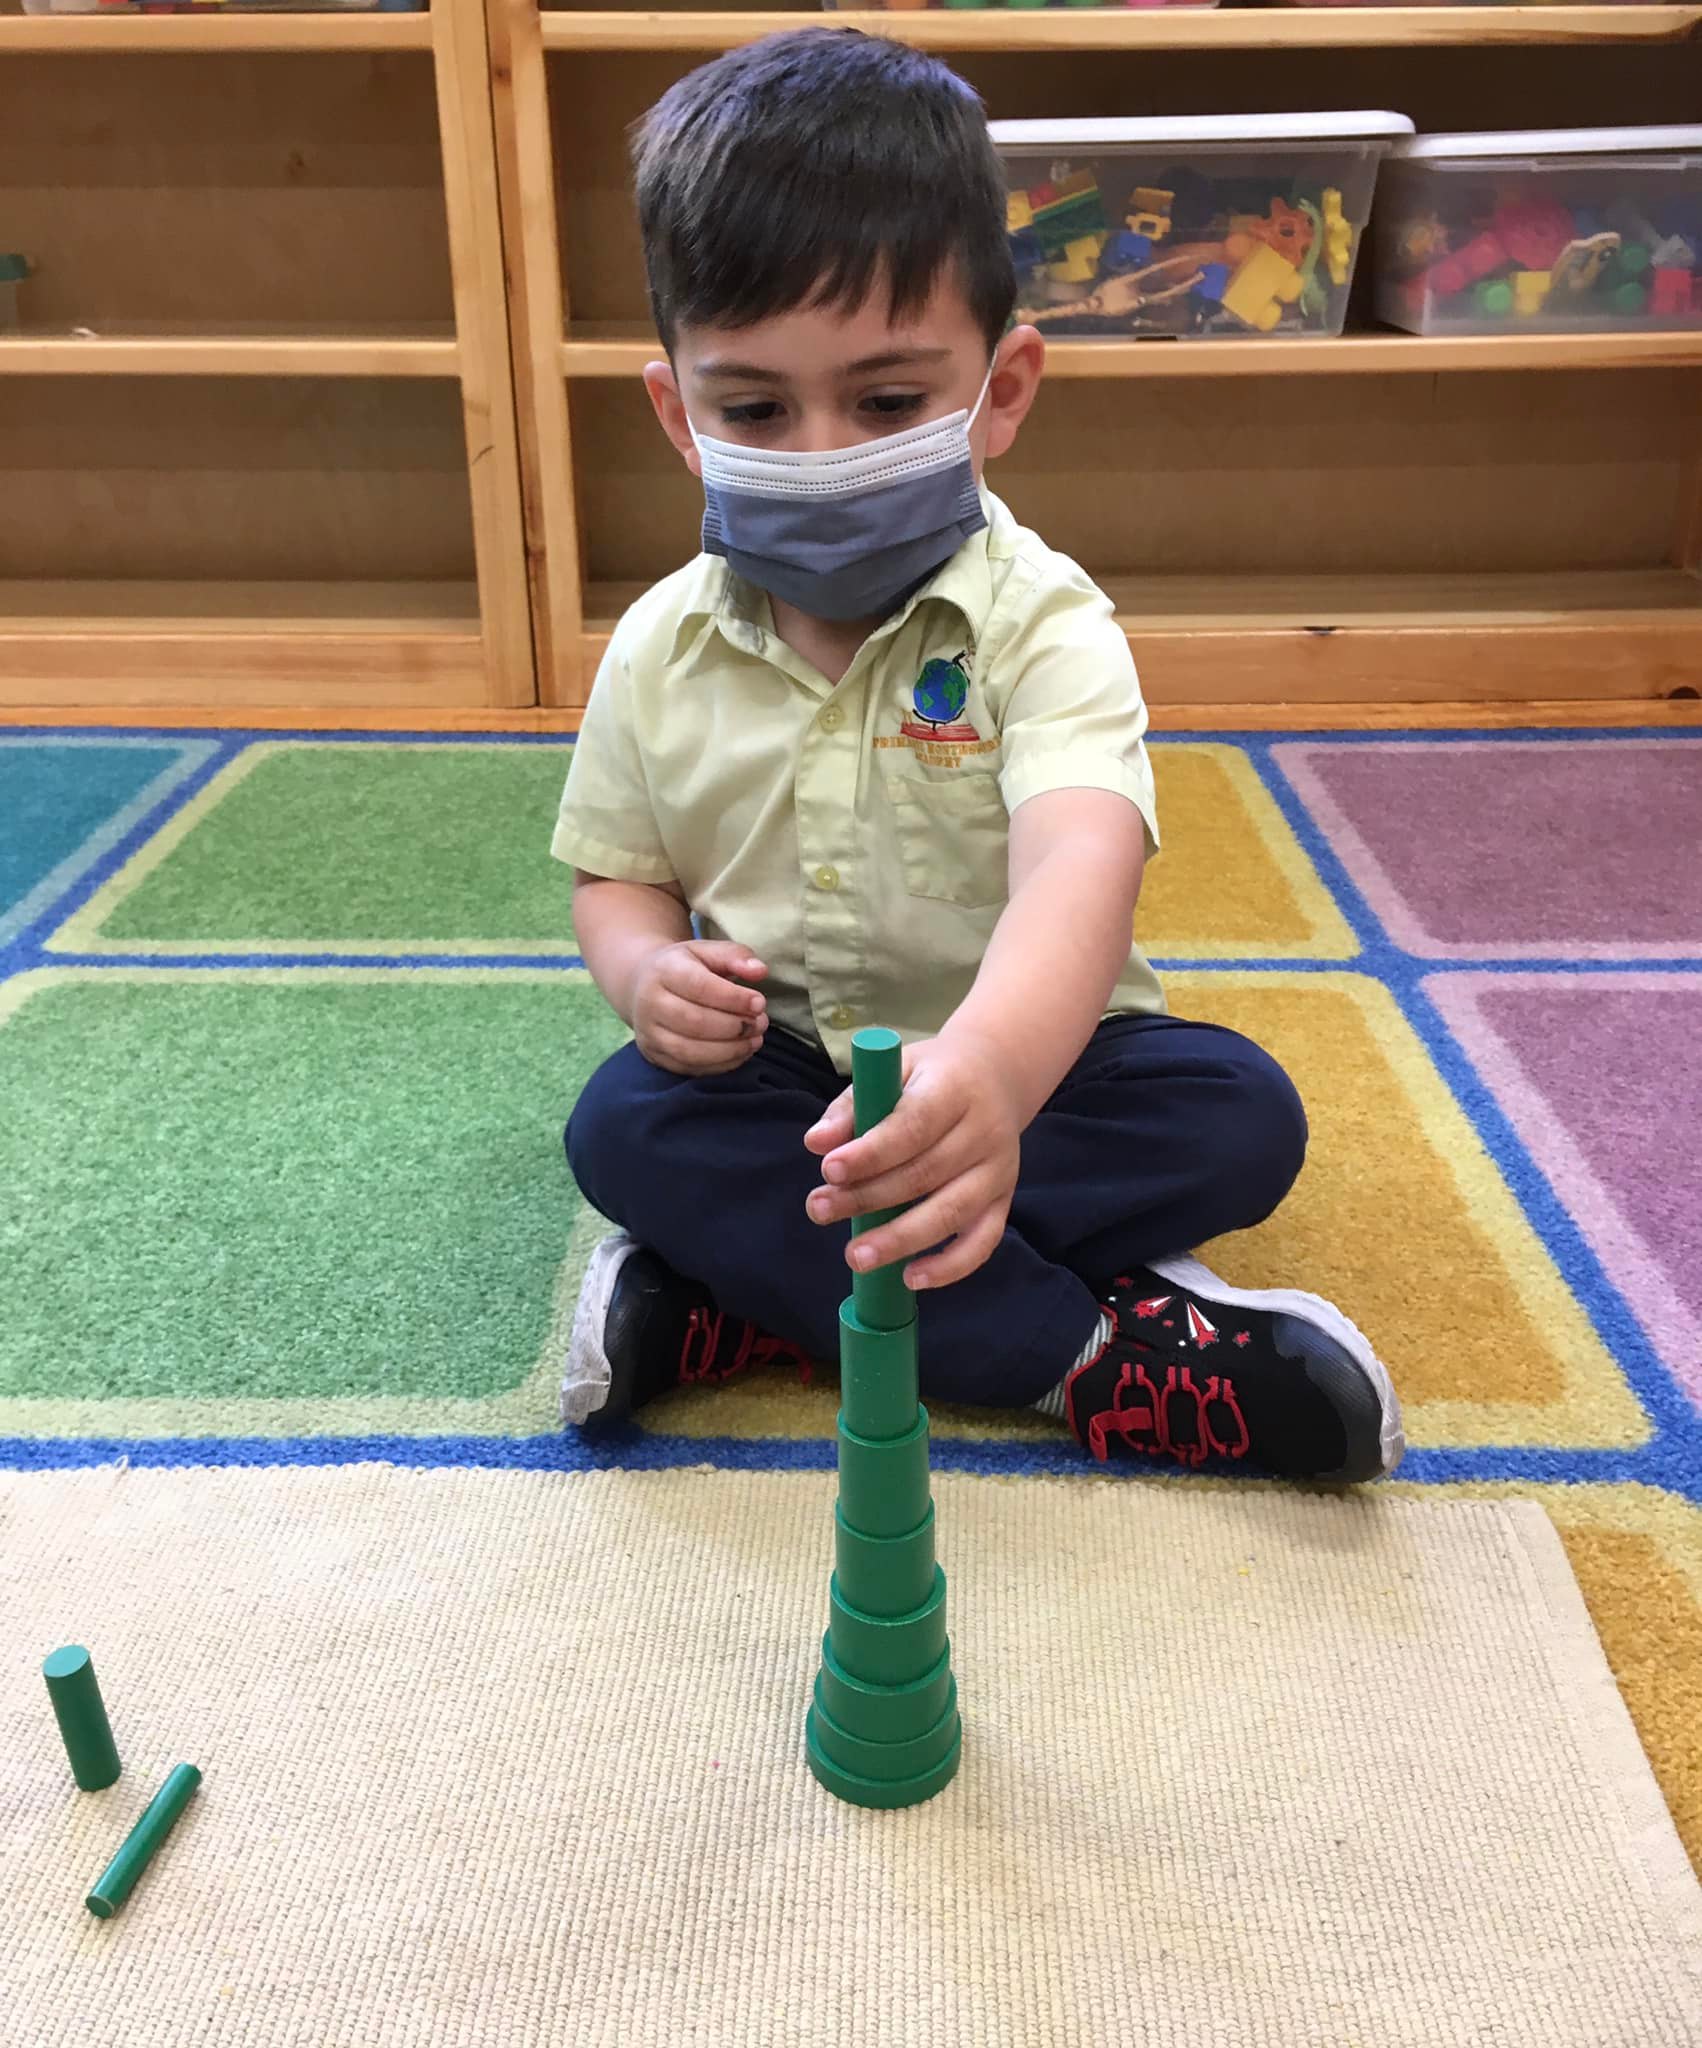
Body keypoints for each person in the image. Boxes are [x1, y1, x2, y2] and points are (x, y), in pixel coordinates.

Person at [549, 27, 1403, 1482]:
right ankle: (1083, 1361)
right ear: (678, 413)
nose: (821, 455)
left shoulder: (1043, 623)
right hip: (791, 1082)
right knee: (624, 1125)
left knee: (1239, 1116)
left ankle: (750, 1298)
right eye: (754, 409)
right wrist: (643, 976)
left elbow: (1081, 863)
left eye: (887, 403)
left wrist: (995, 1079)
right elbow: (616, 877)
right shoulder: (655, 644)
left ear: (1002, 389)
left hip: (1047, 1070)